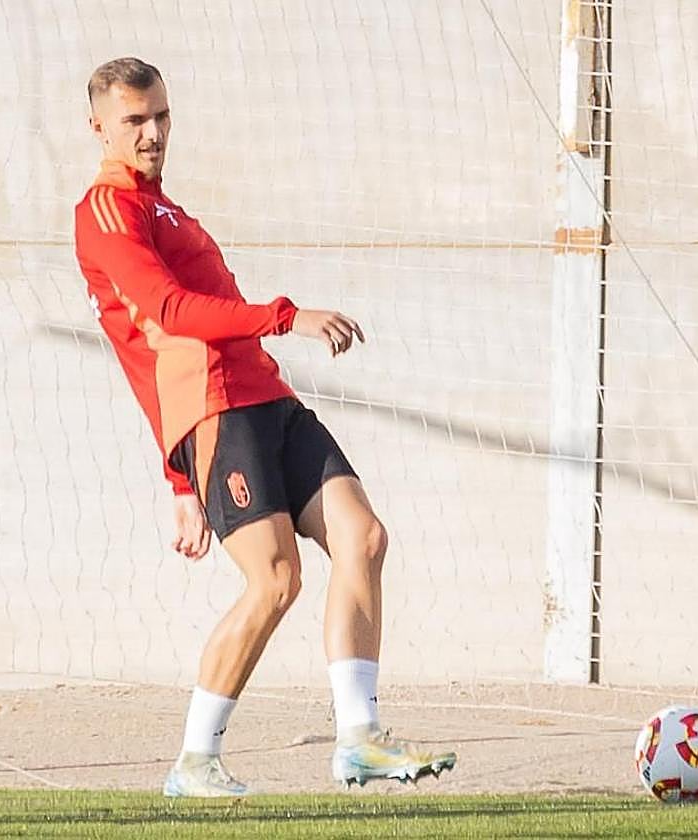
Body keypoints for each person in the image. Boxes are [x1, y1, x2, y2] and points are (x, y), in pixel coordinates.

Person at [74, 57, 456, 797]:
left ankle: (359, 740)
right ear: (99, 128)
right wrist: (286, 316)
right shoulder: (105, 211)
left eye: (161, 115)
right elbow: (168, 319)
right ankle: (194, 761)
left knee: (364, 538)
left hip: (265, 397)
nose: (153, 133)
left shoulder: (167, 208)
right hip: (216, 406)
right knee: (276, 579)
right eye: (134, 121)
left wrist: (180, 479)